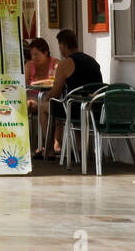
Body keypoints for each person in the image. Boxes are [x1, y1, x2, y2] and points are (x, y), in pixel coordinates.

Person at [37, 29, 104, 158]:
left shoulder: (66, 63)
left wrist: (46, 97)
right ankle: (79, 149)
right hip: (94, 110)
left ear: (63, 45)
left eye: (59, 46)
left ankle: (49, 149)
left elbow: (56, 93)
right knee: (65, 105)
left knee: (44, 107)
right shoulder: (92, 61)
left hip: (74, 109)